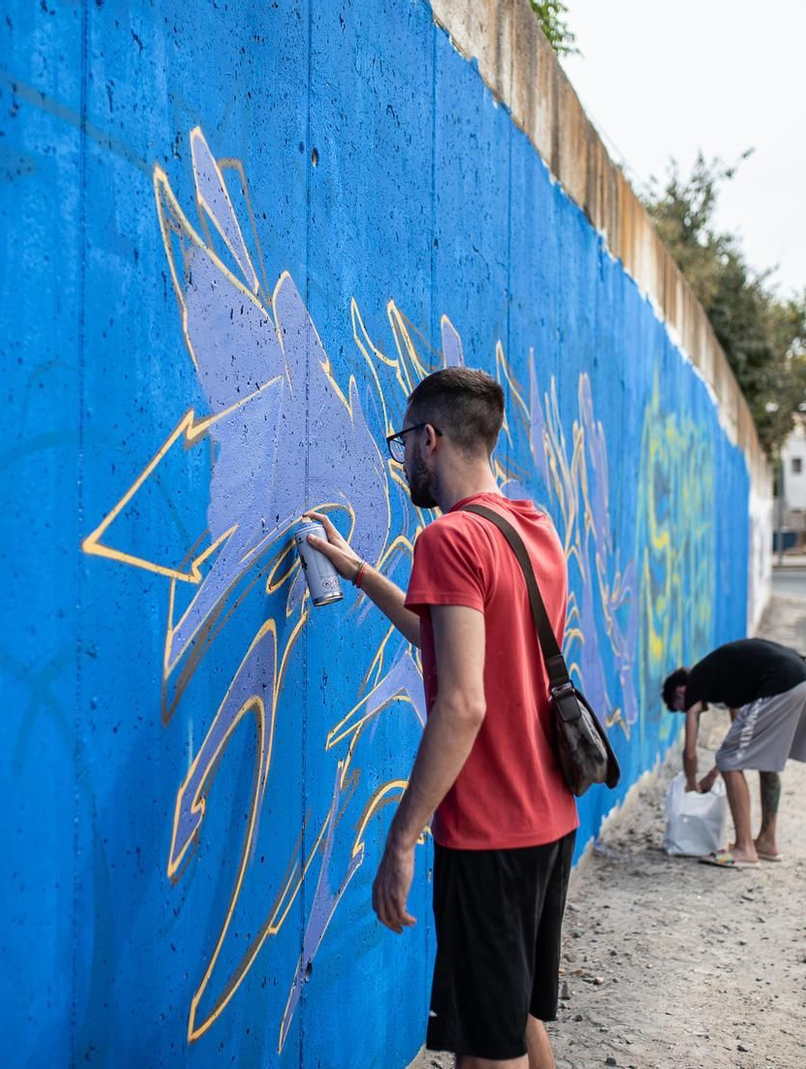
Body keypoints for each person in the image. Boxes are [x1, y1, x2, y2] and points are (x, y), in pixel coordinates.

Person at [302, 367, 576, 1069]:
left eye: (402, 442)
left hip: (489, 835)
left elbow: (461, 702)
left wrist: (401, 839)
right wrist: (360, 572)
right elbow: (448, 641)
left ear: (430, 439)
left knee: (485, 1052)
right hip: (548, 818)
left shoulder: (450, 539)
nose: (401, 459)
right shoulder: (533, 528)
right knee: (509, 1015)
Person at [660, 638, 806, 869]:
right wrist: (713, 775)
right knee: (765, 759)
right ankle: (766, 842)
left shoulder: (696, 681)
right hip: (805, 680)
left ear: (680, 689)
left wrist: (691, 785)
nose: (685, 710)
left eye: (680, 706)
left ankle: (744, 848)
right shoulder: (726, 678)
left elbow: (690, 752)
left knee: (728, 760)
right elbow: (739, 742)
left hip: (783, 683)